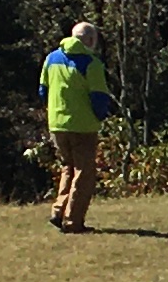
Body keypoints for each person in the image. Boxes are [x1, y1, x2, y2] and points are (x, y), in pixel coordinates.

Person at [40, 19, 116, 230]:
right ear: (90, 40)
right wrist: (100, 116)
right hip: (82, 125)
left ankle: (59, 210)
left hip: (57, 123)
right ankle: (73, 220)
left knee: (68, 167)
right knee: (84, 173)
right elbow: (99, 96)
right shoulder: (91, 63)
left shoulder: (52, 58)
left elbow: (43, 90)